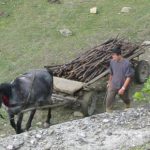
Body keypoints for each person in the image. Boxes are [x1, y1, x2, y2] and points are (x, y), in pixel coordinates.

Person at [106, 46, 134, 112]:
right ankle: (108, 112)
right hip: (113, 84)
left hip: (122, 86)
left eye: (114, 55)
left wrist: (123, 88)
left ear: (119, 55)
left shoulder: (127, 64)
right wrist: (110, 82)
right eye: (112, 55)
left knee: (125, 99)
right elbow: (111, 73)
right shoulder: (112, 62)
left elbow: (128, 77)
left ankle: (128, 105)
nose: (113, 57)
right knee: (108, 100)